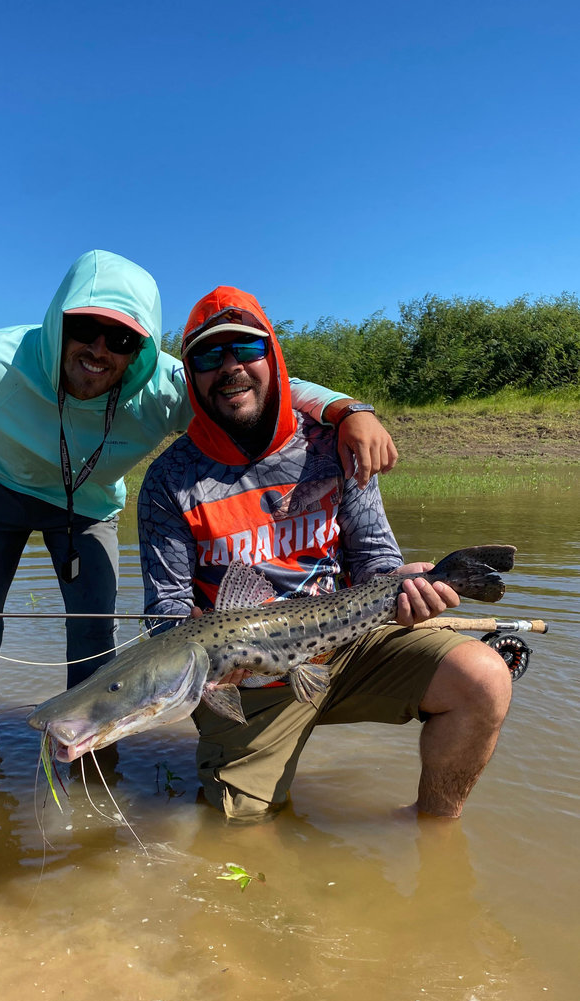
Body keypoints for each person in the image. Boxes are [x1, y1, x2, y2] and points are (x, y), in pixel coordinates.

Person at [0, 250, 396, 731]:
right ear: (58, 323)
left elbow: (260, 380)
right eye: (84, 328)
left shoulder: (166, 385)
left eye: (122, 337)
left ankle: (92, 744)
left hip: (89, 504)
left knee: (96, 632)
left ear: (140, 348)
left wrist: (351, 411)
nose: (99, 349)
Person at [138, 285, 512, 822]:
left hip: (351, 645)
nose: (230, 368)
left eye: (245, 350)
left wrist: (405, 589)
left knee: (483, 678)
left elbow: (376, 563)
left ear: (272, 357)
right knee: (235, 835)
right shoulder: (167, 483)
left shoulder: (334, 444)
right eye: (208, 356)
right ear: (191, 375)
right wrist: (209, 665)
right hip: (248, 681)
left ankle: (433, 833)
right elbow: (164, 614)